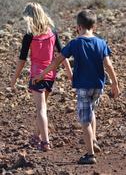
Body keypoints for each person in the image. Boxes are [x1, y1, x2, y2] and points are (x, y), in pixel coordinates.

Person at [32, 10, 120, 163]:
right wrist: (115, 83)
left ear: (78, 27)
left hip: (83, 86)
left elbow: (56, 61)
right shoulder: (101, 43)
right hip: (98, 86)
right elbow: (108, 65)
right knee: (91, 111)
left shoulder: (75, 43)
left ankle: (90, 155)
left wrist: (41, 75)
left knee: (84, 120)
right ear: (94, 26)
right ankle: (93, 140)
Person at [11, 2, 72, 151]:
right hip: (51, 74)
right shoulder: (52, 32)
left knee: (40, 109)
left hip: (37, 75)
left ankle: (45, 142)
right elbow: (62, 55)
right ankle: (36, 135)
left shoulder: (29, 36)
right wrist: (70, 74)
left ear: (29, 17)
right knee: (43, 107)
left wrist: (14, 79)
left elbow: (22, 60)